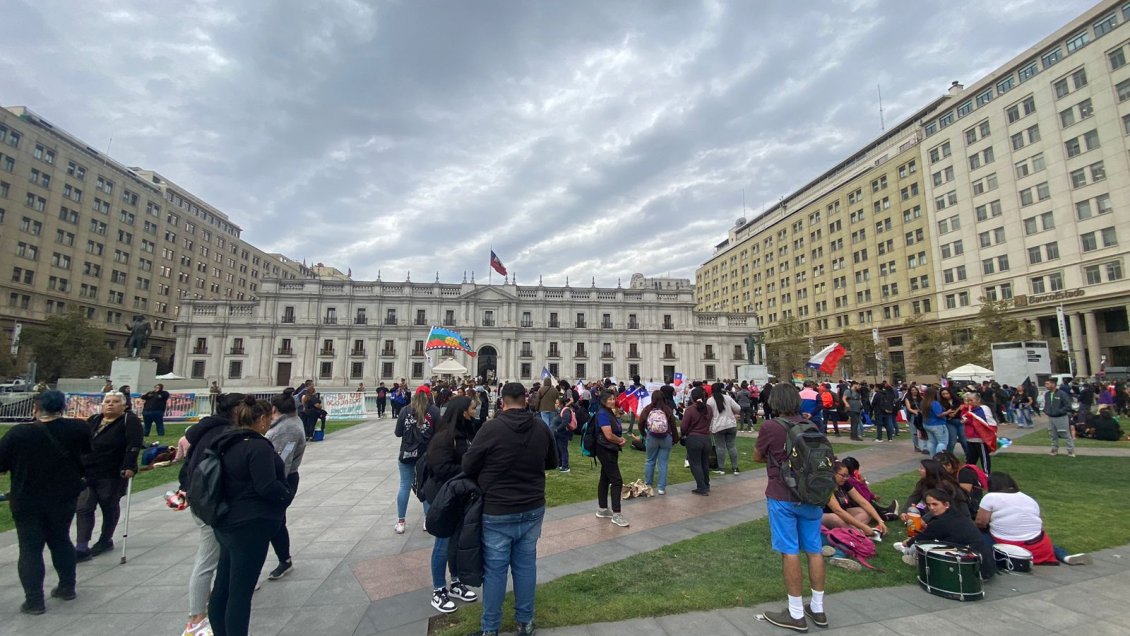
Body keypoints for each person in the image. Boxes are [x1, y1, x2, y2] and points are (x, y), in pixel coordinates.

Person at [462, 382, 556, 636]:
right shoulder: (540, 427)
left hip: (497, 510)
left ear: (501, 402)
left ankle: (490, 629)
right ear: (525, 400)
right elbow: (552, 462)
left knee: (495, 570)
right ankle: (525, 623)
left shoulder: (490, 428)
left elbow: (468, 464)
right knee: (526, 566)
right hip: (533, 506)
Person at [207, 397, 293, 636]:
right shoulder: (257, 447)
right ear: (262, 419)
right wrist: (286, 494)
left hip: (224, 522)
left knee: (222, 587)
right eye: (269, 418)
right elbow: (267, 486)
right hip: (250, 525)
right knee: (240, 593)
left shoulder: (223, 442)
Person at [0, 390, 91, 615]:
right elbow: (86, 455)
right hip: (64, 495)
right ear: (63, 407)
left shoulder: (18, 434)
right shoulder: (78, 428)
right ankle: (67, 587)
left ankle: (34, 601)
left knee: (30, 548)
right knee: (61, 539)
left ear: (36, 409)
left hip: (26, 497)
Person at [754, 382, 829, 632]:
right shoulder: (811, 425)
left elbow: (757, 456)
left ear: (775, 403)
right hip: (812, 494)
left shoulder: (771, 426)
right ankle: (818, 609)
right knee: (814, 550)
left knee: (790, 551)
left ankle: (796, 613)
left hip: (782, 495)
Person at [178, 392, 245, 636]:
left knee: (226, 551)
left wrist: (185, 488)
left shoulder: (203, 431)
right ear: (237, 409)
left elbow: (190, 464)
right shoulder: (226, 434)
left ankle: (229, 586)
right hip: (213, 504)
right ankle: (196, 616)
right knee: (207, 559)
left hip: (201, 499)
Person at [421, 396, 480, 613]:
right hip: (441, 495)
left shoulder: (468, 432)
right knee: (443, 544)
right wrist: (469, 469)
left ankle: (455, 582)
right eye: (473, 408)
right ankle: (438, 590)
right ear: (463, 411)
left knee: (456, 541)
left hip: (460, 495)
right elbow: (441, 468)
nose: (476, 410)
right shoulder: (444, 437)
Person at [75, 392, 143, 561]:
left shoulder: (129, 421)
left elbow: (134, 445)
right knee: (84, 507)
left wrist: (129, 465)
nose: (110, 405)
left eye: (115, 402)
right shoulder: (94, 420)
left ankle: (106, 539)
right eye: (107, 401)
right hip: (88, 471)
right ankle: (81, 546)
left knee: (108, 504)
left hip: (112, 471)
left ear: (124, 405)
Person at [976, 472, 1089, 565]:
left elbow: (981, 522)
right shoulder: (1029, 499)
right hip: (1040, 545)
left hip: (1011, 546)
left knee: (978, 534)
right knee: (1033, 536)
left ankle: (987, 558)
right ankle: (1065, 556)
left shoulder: (990, 497)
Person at [896, 488, 997, 577]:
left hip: (972, 569)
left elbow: (920, 538)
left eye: (935, 504)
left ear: (946, 504)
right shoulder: (957, 515)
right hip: (987, 564)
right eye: (929, 505)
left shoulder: (940, 522)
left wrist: (906, 543)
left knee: (924, 547)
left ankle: (914, 557)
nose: (931, 508)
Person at [264, 388, 306, 582]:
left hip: (280, 480)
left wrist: (271, 486)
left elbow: (282, 460)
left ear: (274, 408)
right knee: (276, 523)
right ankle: (285, 560)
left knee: (269, 523)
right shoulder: (286, 424)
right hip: (280, 479)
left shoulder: (288, 429)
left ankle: (252, 571)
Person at [394, 386, 439, 534]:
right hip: (425, 455)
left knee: (404, 486)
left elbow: (398, 433)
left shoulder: (405, 410)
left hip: (406, 454)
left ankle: (401, 521)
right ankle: (427, 520)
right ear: (428, 396)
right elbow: (439, 434)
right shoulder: (433, 411)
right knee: (425, 486)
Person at [593, 389, 635, 527]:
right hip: (605, 449)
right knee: (617, 481)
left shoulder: (609, 412)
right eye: (609, 399)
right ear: (604, 401)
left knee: (605, 478)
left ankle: (603, 508)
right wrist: (620, 440)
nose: (612, 401)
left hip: (609, 448)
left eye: (613, 398)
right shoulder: (603, 414)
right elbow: (608, 435)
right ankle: (617, 514)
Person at [822, 461, 888, 540]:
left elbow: (862, 501)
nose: (845, 478)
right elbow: (837, 510)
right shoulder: (826, 486)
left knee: (865, 512)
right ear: (833, 473)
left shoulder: (845, 483)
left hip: (842, 514)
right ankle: (858, 533)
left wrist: (880, 520)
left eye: (847, 476)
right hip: (824, 516)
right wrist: (862, 526)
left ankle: (851, 531)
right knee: (835, 518)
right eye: (843, 475)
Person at [900, 458, 968, 521]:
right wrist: (905, 511)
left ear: (930, 470)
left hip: (955, 515)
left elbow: (939, 507)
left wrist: (923, 520)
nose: (919, 470)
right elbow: (914, 497)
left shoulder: (944, 485)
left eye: (922, 468)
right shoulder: (923, 482)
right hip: (934, 512)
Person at [638, 392, 678, 495]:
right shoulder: (667, 409)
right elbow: (673, 425)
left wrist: (644, 434)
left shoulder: (647, 409)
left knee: (650, 461)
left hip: (652, 437)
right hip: (666, 438)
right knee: (663, 463)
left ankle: (648, 484)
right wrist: (675, 438)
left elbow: (641, 423)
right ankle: (661, 488)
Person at [680, 386, 713, 496]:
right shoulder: (709, 408)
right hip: (707, 438)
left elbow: (684, 427)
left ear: (692, 398)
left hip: (694, 439)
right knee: (704, 463)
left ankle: (701, 487)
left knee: (695, 464)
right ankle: (706, 484)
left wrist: (683, 435)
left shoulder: (690, 410)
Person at [934, 451, 984, 517]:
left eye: (940, 468)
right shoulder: (947, 475)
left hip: (969, 508)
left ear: (949, 465)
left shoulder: (965, 473)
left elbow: (963, 496)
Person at [708, 382, 741, 475]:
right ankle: (735, 468)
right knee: (732, 446)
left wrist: (710, 427)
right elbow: (738, 408)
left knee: (720, 447)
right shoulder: (728, 398)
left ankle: (721, 468)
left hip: (718, 426)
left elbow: (709, 415)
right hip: (730, 424)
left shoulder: (710, 401)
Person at [961, 392, 997, 472]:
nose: (969, 402)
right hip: (970, 438)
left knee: (984, 458)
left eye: (971, 400)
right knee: (970, 458)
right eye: (967, 400)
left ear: (978, 400)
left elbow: (984, 422)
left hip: (980, 439)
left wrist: (969, 419)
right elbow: (963, 417)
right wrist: (965, 410)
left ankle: (986, 474)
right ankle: (968, 474)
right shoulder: (968, 410)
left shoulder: (983, 409)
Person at [1042, 378, 1075, 457]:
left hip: (1061, 417)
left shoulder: (1062, 394)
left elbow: (1068, 405)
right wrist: (1046, 410)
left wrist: (1059, 411)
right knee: (1052, 434)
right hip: (1051, 417)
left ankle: (1070, 451)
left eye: (1047, 383)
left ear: (1053, 384)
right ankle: (1054, 450)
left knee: (1065, 434)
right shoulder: (1047, 394)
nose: (1046, 385)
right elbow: (1046, 404)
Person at [920, 386, 954, 457]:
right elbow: (939, 414)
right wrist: (948, 412)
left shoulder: (923, 403)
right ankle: (939, 458)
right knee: (942, 442)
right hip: (938, 424)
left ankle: (933, 457)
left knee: (932, 442)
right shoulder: (935, 403)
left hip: (927, 424)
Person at [550, 396, 573, 474]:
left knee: (563, 449)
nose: (555, 404)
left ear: (560, 404)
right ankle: (560, 464)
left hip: (562, 434)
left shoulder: (566, 411)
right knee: (558, 449)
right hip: (558, 434)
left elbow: (565, 422)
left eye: (556, 403)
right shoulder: (560, 411)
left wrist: (557, 429)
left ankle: (565, 466)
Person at [904, 385, 925, 454]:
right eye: (912, 390)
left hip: (921, 415)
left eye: (915, 390)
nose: (914, 391)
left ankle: (925, 447)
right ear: (910, 391)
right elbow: (908, 408)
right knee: (914, 432)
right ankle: (916, 446)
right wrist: (915, 412)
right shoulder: (908, 398)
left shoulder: (921, 398)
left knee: (922, 430)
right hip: (912, 416)